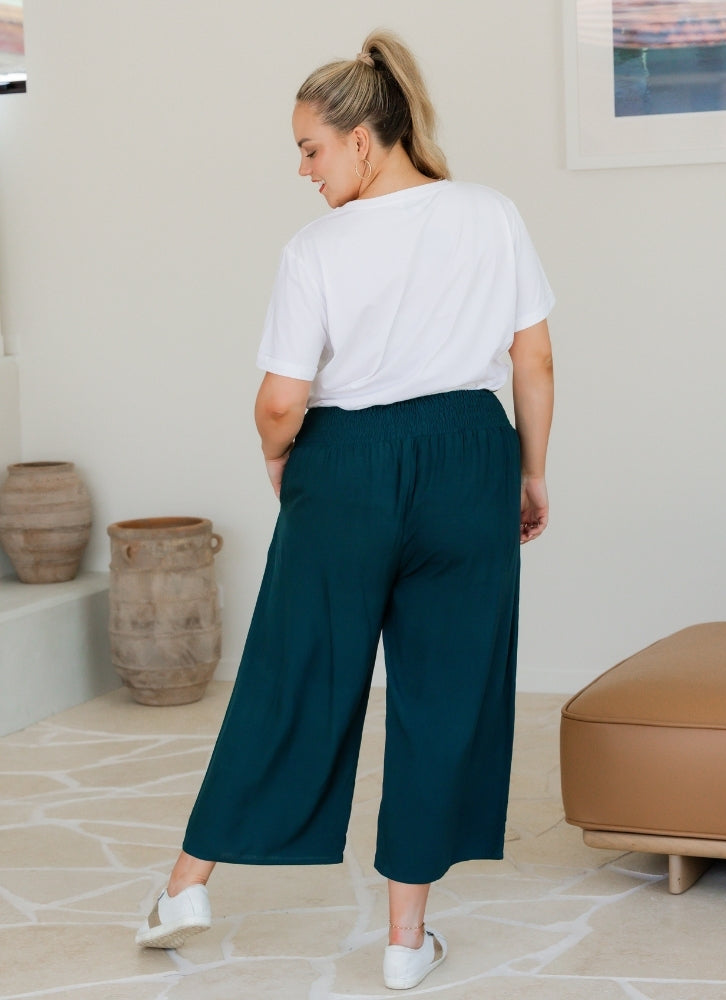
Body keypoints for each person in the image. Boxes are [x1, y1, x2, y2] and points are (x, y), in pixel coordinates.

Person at [135, 28, 554, 992]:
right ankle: (407, 943)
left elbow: (282, 401)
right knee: (444, 693)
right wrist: (528, 474)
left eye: (311, 148)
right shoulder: (492, 213)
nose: (302, 169)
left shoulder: (317, 247)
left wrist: (284, 463)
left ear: (364, 139)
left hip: (347, 465)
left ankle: (186, 886)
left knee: (293, 672)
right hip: (470, 457)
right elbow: (532, 359)